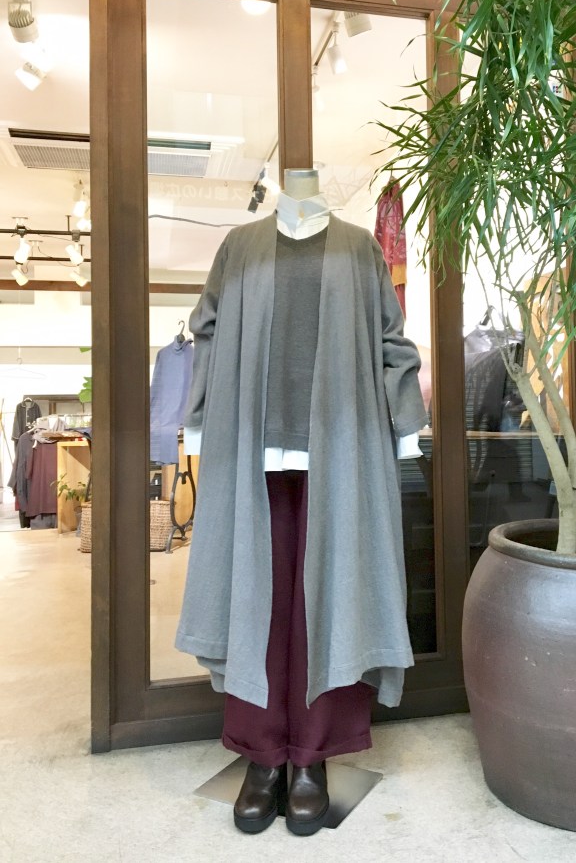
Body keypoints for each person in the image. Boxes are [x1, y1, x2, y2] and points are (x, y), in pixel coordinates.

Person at [176, 169, 427, 836]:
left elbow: (391, 339)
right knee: (256, 604)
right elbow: (207, 332)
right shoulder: (240, 247)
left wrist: (405, 425)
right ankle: (262, 758)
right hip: (251, 452)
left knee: (330, 602)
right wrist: (199, 420)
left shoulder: (357, 248)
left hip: (339, 451)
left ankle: (312, 757)